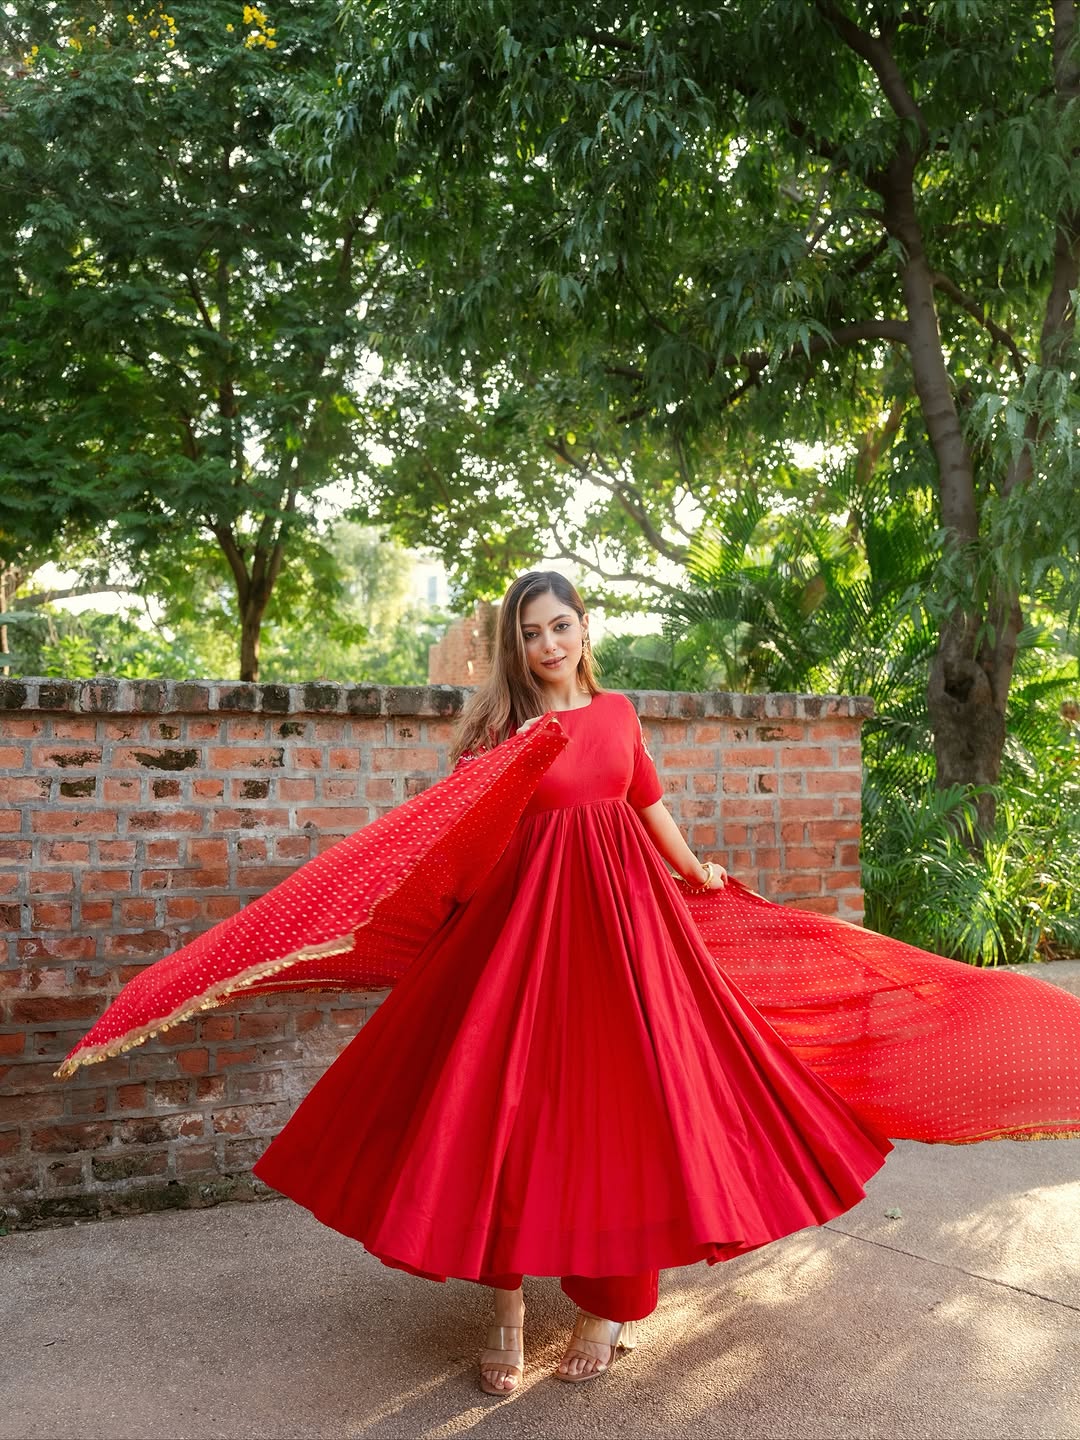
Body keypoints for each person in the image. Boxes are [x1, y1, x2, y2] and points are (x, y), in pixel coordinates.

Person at [248, 569, 893, 1394]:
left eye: (560, 626)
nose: (548, 644)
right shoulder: (503, 732)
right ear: (514, 648)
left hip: (623, 932)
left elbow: (646, 803)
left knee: (627, 1105)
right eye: (530, 633)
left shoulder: (618, 713)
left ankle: (608, 1310)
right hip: (522, 933)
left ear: (585, 628)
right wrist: (489, 807)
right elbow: (459, 834)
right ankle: (507, 1309)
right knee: (500, 1109)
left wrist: (694, 869)